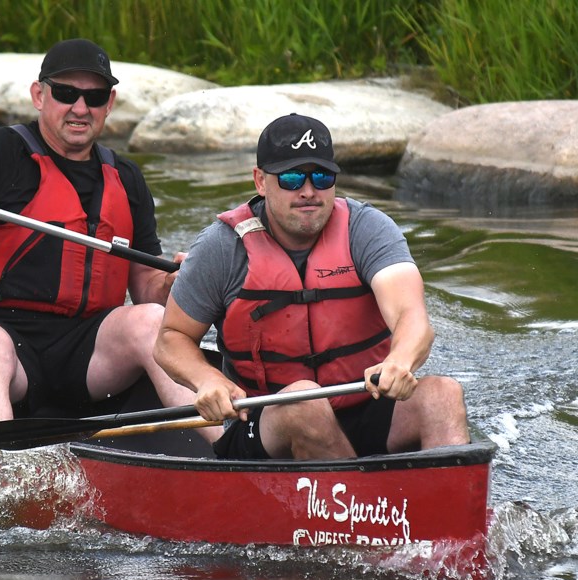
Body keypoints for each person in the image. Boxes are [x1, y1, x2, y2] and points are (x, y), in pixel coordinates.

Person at [0, 38, 221, 441]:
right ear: (39, 95)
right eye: (66, 93)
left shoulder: (126, 179)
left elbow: (145, 290)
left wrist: (171, 285)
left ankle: (229, 455)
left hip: (86, 353)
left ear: (109, 103)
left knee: (153, 321)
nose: (79, 108)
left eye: (93, 97)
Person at [153, 113, 471, 460]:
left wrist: (401, 359)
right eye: (291, 178)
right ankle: (362, 505)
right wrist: (206, 380)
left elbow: (411, 316)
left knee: (443, 394)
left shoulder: (368, 229)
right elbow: (171, 338)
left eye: (321, 177)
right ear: (260, 181)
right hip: (266, 421)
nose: (308, 191)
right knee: (304, 400)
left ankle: (448, 507)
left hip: (365, 406)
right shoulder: (221, 247)